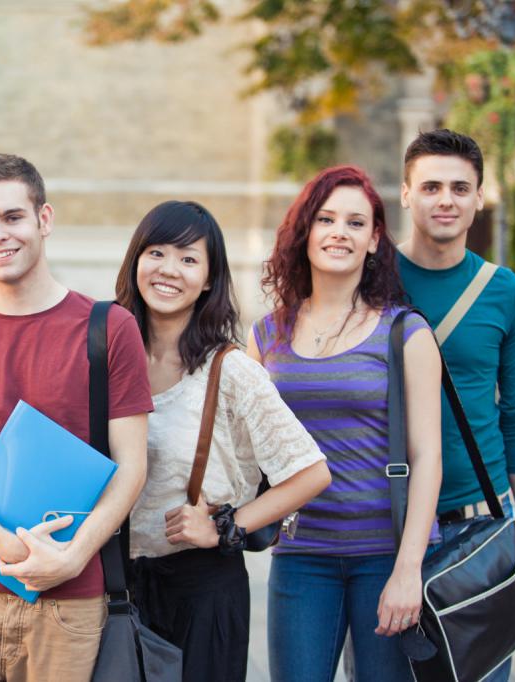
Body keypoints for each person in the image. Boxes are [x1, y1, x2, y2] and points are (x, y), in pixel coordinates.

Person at [0, 153, 152, 681]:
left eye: (13, 217)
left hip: (73, 600)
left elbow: (132, 466)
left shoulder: (109, 328)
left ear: (44, 220)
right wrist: (13, 549)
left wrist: (71, 557)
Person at [116, 200, 331, 681]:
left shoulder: (231, 370)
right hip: (116, 586)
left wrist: (226, 527)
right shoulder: (108, 356)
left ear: (209, 279)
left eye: (189, 259)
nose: (169, 270)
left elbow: (311, 472)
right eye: (157, 253)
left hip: (203, 592)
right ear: (136, 262)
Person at [248, 165, 442, 682]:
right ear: (304, 231)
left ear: (375, 239)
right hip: (301, 556)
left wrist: (408, 571)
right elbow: (247, 455)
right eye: (326, 219)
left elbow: (427, 458)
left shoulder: (406, 333)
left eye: (356, 223)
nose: (339, 232)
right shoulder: (266, 335)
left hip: (384, 555)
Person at [397, 128, 515, 682]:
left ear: (480, 197)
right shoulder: (368, 279)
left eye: (460, 187)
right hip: (383, 524)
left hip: (477, 530)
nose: (446, 199)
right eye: (431, 186)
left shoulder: (508, 294)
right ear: (406, 194)